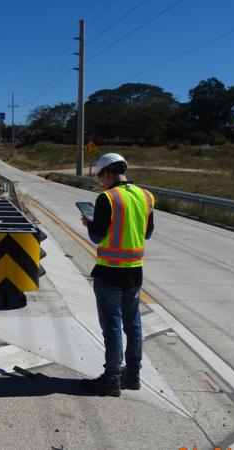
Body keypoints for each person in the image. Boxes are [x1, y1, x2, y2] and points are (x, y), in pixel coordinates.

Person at [79, 153, 155, 397]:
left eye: (101, 176)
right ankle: (133, 376)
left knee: (112, 326)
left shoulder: (107, 198)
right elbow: (148, 233)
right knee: (133, 325)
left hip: (109, 272)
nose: (102, 181)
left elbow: (97, 237)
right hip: (134, 272)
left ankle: (111, 379)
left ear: (108, 173)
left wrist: (90, 222)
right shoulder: (146, 196)